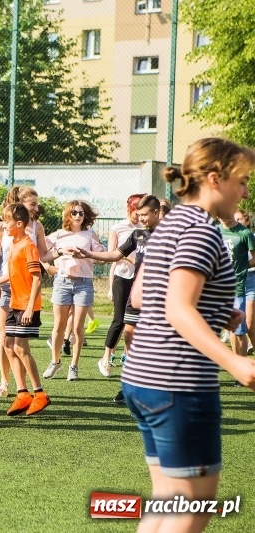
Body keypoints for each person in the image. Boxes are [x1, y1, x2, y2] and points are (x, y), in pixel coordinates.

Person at [122, 138, 255, 533]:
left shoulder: (171, 223)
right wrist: (235, 362)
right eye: (242, 181)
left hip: (142, 378)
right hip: (177, 382)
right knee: (193, 506)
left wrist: (217, 311)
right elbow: (178, 308)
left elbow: (143, 295)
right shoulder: (203, 231)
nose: (246, 192)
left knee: (168, 500)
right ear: (215, 179)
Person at [72, 196, 161, 391]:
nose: (141, 219)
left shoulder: (169, 235)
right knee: (129, 334)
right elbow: (115, 255)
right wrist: (88, 254)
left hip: (159, 296)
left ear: (156, 213)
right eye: (139, 215)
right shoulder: (138, 235)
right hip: (137, 294)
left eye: (145, 215)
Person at [0, 186, 49, 398]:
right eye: (32, 203)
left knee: (20, 347)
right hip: (9, 291)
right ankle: (14, 386)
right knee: (7, 341)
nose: (36, 208)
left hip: (24, 297)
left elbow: (38, 272)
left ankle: (36, 391)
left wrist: (60, 253)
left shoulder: (29, 239)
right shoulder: (11, 236)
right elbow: (1, 262)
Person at [42, 200, 105, 381]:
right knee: (59, 326)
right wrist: (58, 255)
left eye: (81, 213)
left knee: (77, 327)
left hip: (83, 283)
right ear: (67, 214)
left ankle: (74, 366)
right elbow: (41, 254)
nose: (78, 216)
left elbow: (102, 258)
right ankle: (55, 362)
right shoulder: (58, 234)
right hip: (62, 282)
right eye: (74, 212)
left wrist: (86, 254)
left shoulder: (90, 234)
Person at [96, 194, 144, 373]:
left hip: (139, 280)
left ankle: (129, 358)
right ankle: (105, 358)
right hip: (122, 277)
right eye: (137, 212)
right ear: (130, 209)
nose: (140, 216)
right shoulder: (118, 228)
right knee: (119, 320)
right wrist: (132, 261)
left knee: (135, 321)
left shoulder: (145, 229)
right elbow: (112, 255)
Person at [218, 208, 255, 360]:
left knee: (240, 329)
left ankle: (243, 363)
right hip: (219, 286)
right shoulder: (215, 231)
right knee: (231, 328)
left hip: (239, 285)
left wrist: (241, 267)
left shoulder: (245, 234)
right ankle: (236, 363)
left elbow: (254, 258)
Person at [234, 209, 255, 355]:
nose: (237, 222)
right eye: (235, 219)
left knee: (250, 324)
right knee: (235, 326)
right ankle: (236, 359)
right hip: (236, 281)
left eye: (240, 219)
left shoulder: (251, 236)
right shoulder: (230, 237)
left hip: (251, 279)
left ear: (246, 221)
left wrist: (242, 265)